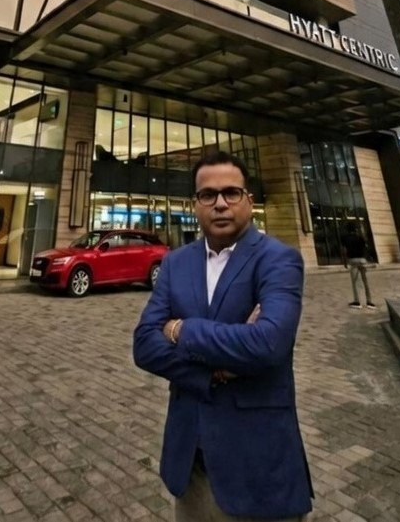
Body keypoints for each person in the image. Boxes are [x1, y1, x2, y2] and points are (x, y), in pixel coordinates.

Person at [133, 151, 312, 521]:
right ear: (194, 204)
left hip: (257, 463)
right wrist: (212, 371)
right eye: (207, 194)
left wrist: (180, 328)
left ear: (249, 200)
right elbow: (145, 345)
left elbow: (268, 344)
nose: (219, 203)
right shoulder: (175, 262)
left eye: (231, 192)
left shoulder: (278, 259)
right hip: (192, 460)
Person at [341, 221, 375, 309]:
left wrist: (345, 262)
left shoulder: (345, 238)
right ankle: (369, 302)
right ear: (355, 229)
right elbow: (365, 248)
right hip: (362, 260)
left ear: (347, 229)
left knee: (355, 282)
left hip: (353, 260)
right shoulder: (360, 237)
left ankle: (357, 302)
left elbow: (344, 251)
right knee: (365, 281)